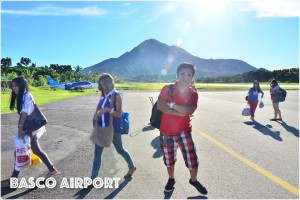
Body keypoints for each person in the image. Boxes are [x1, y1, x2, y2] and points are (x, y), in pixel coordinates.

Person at [157, 63, 207, 194]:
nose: (185, 77)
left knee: (192, 159)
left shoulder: (193, 94)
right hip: (166, 132)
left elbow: (189, 111)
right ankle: (171, 179)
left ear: (192, 78)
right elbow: (160, 106)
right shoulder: (168, 89)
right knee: (168, 159)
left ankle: (193, 180)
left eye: (189, 74)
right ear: (177, 75)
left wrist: (172, 105)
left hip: (184, 131)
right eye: (183, 74)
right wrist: (181, 111)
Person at [1, 77, 60, 188]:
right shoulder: (22, 96)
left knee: (19, 151)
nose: (14, 88)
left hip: (32, 128)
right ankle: (52, 170)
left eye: (16, 85)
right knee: (36, 150)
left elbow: (24, 114)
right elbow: (23, 115)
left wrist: (20, 128)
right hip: (30, 127)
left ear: (22, 85)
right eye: (13, 86)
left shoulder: (27, 95)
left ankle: (13, 180)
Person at [90, 73, 136, 181]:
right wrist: (95, 115)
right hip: (101, 127)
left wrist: (107, 110)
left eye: (103, 84)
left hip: (113, 129)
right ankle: (93, 178)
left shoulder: (117, 95)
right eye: (100, 85)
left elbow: (119, 114)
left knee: (120, 149)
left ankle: (132, 166)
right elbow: (98, 107)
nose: (102, 87)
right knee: (97, 153)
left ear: (109, 83)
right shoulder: (103, 94)